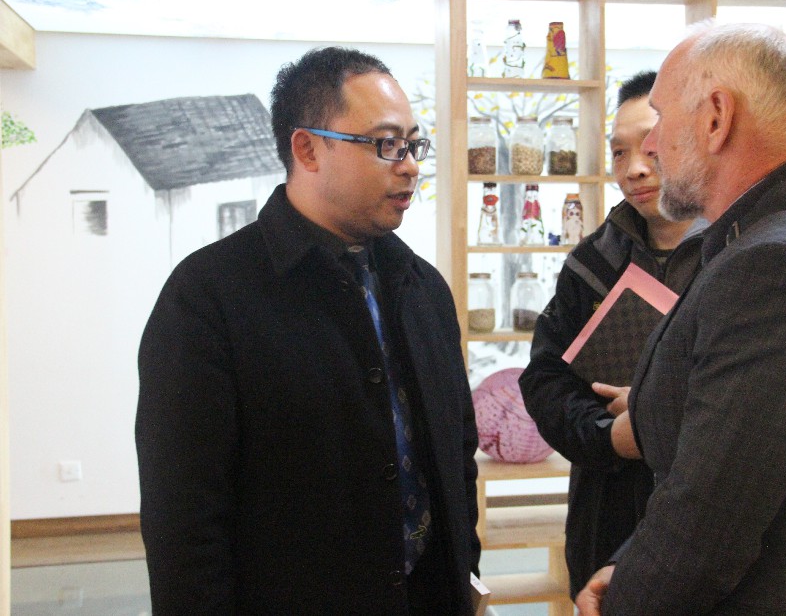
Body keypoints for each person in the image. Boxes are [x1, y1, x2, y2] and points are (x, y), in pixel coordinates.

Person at [136, 47, 481, 615]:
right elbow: (184, 520)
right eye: (385, 144)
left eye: (413, 145)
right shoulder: (207, 297)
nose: (409, 166)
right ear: (307, 148)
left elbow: (455, 454)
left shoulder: (422, 288)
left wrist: (464, 573)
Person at [577, 22, 786, 615]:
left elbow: (710, 520)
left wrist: (626, 601)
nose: (652, 148)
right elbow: (738, 471)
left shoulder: (778, 265)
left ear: (716, 118)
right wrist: (630, 565)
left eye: (661, 120)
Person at [519, 70, 705, 599]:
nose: (634, 169)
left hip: (711, 533)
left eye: (651, 146)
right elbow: (545, 381)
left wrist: (655, 412)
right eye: (619, 153)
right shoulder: (592, 262)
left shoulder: (742, 257)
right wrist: (609, 436)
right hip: (606, 520)